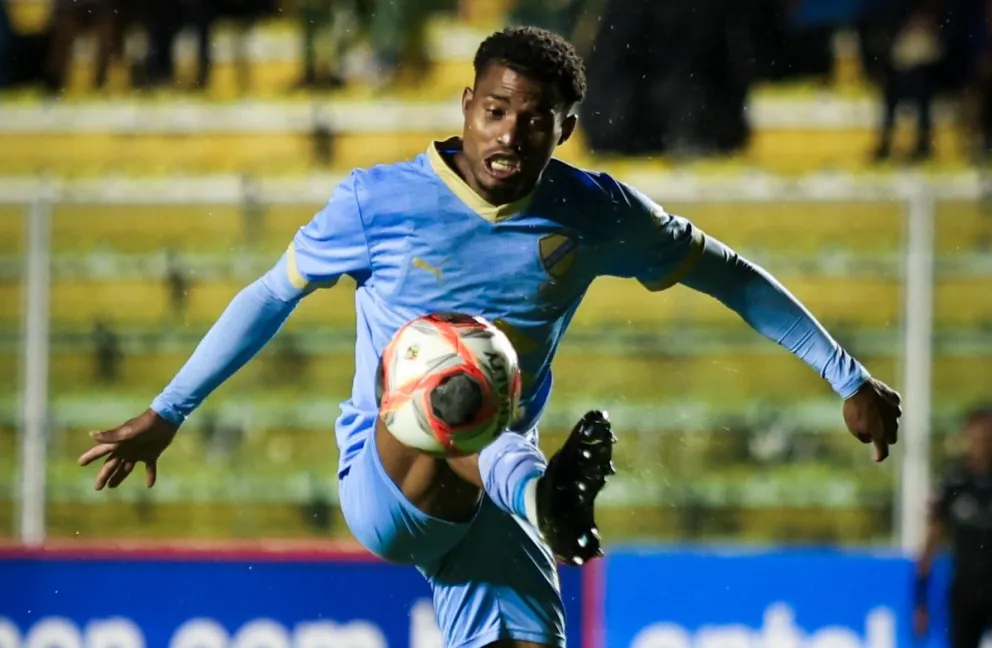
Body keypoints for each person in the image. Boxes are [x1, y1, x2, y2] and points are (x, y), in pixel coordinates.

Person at [79, 26, 902, 648]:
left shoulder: (594, 211)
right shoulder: (378, 203)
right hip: (388, 478)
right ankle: (540, 492)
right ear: (467, 107)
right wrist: (170, 411)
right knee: (458, 362)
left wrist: (846, 376)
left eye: (535, 120)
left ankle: (536, 496)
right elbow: (270, 295)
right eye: (495, 111)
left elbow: (724, 269)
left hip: (498, 497)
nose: (509, 135)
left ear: (566, 127)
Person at [914, 407, 992, 648]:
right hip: (965, 591)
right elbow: (930, 542)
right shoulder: (954, 482)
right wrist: (920, 600)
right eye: (976, 437)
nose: (981, 444)